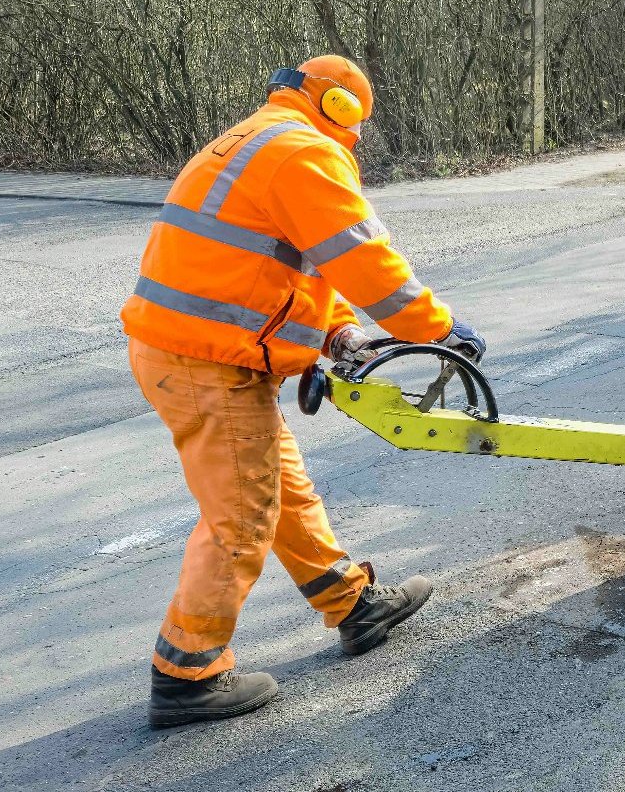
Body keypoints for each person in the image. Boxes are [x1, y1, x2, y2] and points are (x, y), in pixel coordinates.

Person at [120, 55, 486, 727]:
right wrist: (438, 329)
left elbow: (292, 266)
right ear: (343, 108)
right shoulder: (304, 154)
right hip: (207, 363)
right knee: (241, 516)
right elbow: (361, 258)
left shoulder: (256, 139)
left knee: (280, 488)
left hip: (192, 354)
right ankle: (187, 672)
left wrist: (337, 335)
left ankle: (351, 603)